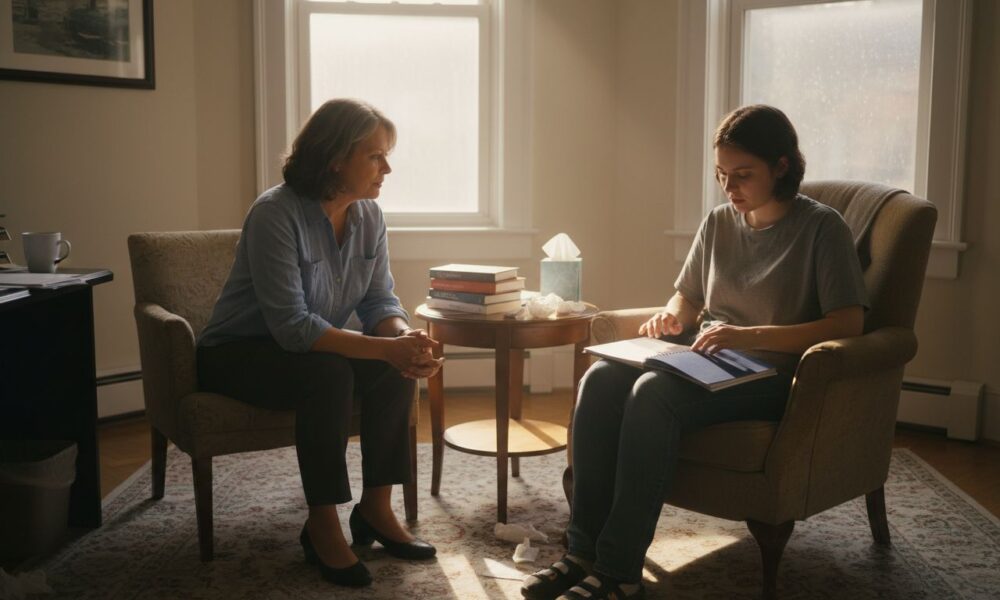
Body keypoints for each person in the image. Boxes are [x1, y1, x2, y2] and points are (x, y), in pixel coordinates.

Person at [521, 105, 868, 600]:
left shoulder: (822, 229)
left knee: (653, 394)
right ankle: (580, 553)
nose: (730, 188)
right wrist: (672, 318)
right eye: (722, 175)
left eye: (743, 175)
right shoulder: (719, 222)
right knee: (599, 380)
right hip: (708, 358)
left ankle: (619, 570)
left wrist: (749, 337)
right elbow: (687, 298)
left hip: (772, 375)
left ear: (783, 166)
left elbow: (848, 323)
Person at [197, 98, 442, 588]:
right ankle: (323, 523)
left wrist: (402, 338)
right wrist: (381, 348)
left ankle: (375, 509)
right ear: (335, 158)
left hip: (310, 347)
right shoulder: (275, 214)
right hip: (239, 353)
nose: (387, 168)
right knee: (328, 370)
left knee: (393, 365)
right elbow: (292, 327)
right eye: (375, 156)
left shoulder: (369, 215)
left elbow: (379, 300)